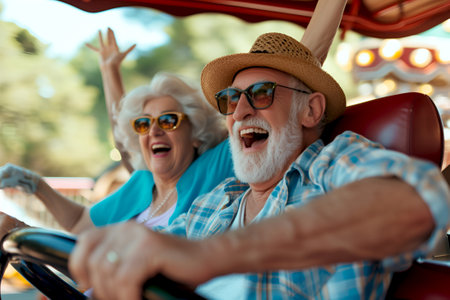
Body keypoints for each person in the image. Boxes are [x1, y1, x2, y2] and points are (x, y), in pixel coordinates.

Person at [69, 30, 450, 300]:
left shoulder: (332, 162)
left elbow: (418, 197)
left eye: (262, 94)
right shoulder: (214, 202)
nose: (241, 111)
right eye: (231, 100)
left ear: (311, 109)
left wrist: (207, 256)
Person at [0, 73, 233, 237]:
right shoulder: (141, 182)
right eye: (143, 124)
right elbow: (82, 223)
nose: (154, 130)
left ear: (196, 133)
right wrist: (37, 185)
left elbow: (244, 127)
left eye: (168, 120)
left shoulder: (212, 166)